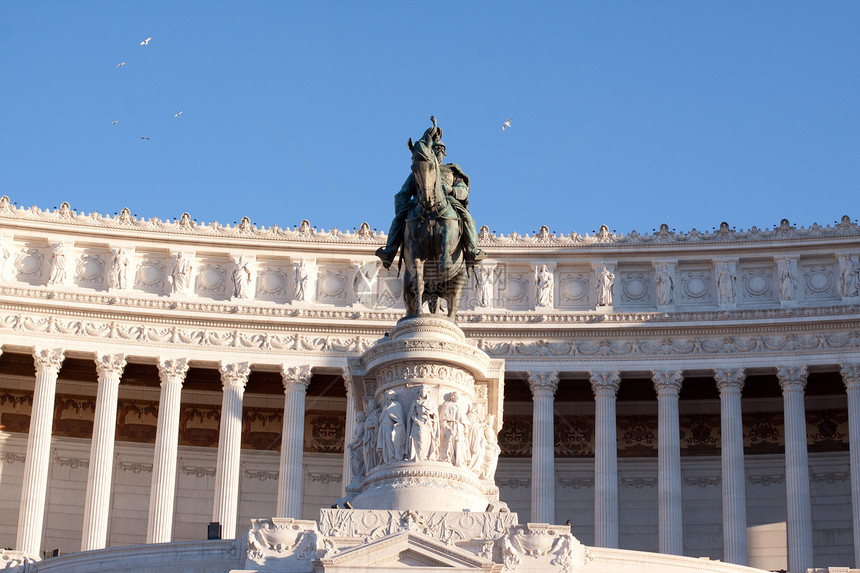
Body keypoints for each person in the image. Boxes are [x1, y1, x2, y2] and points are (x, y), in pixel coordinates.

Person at [376, 122, 486, 269]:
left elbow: (463, 190)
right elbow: (402, 194)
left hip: (449, 202)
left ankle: (472, 251)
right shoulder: (420, 171)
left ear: (444, 153)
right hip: (419, 205)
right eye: (435, 149)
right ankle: (390, 250)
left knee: (466, 217)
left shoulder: (452, 170)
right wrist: (403, 209)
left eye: (441, 149)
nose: (438, 152)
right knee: (399, 218)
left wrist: (451, 190)